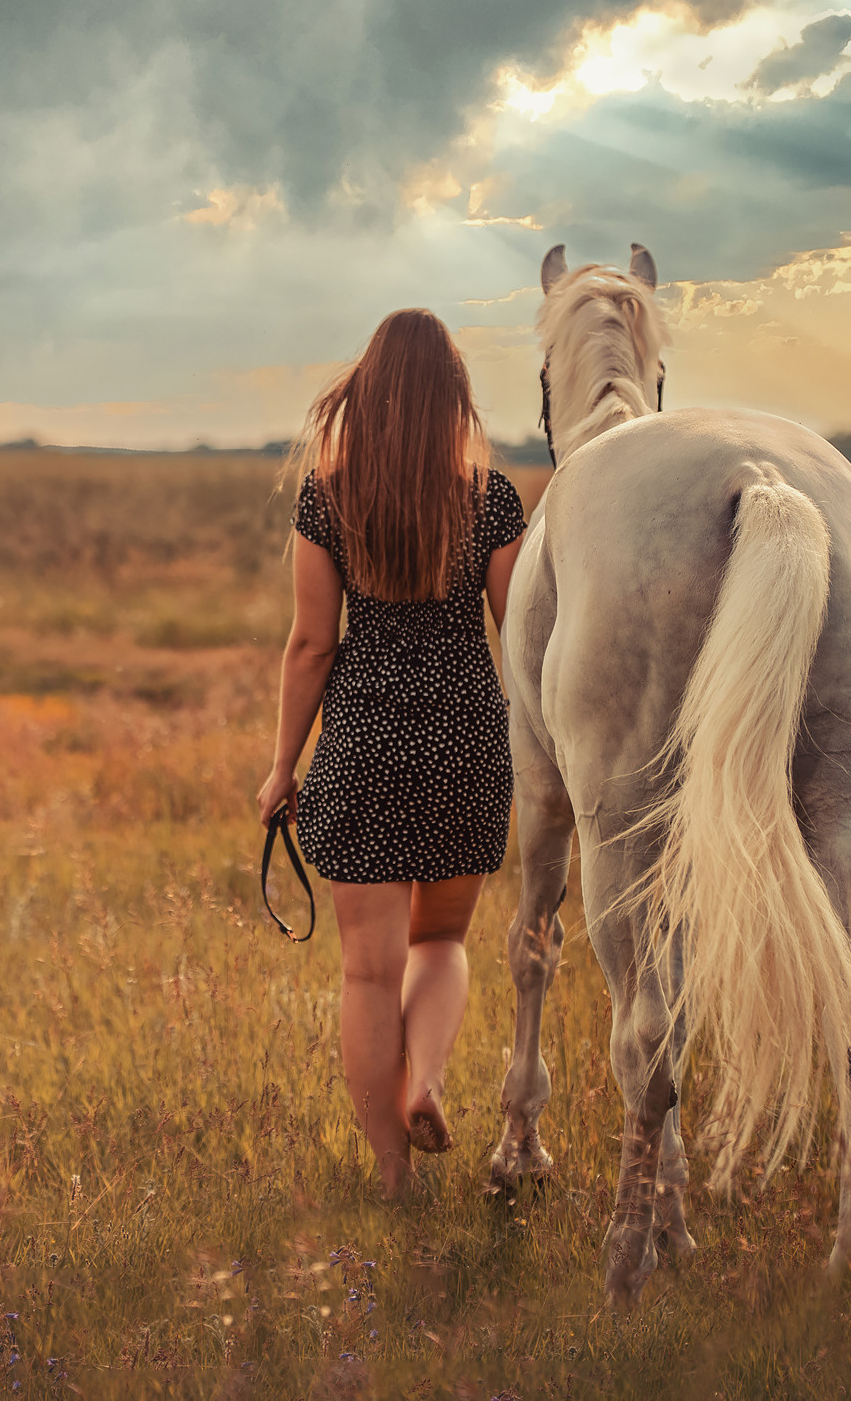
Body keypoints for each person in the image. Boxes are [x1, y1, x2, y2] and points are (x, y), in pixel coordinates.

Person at [254, 307, 526, 1200]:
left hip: (364, 750)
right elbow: (519, 634)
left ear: (366, 394)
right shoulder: (488, 497)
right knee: (441, 939)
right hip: (464, 749)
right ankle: (430, 1081)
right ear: (454, 397)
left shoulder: (326, 498)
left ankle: (391, 1175)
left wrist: (283, 766)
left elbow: (310, 646)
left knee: (368, 972)